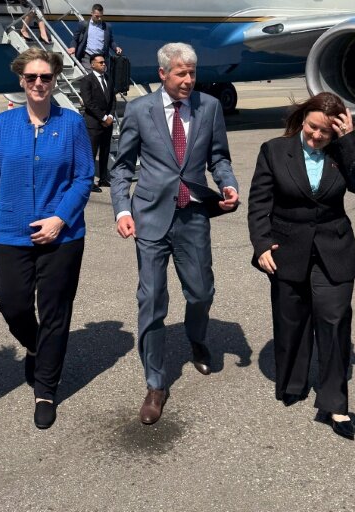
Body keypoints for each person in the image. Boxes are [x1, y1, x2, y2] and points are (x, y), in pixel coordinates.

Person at [110, 42, 239, 425]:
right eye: (181, 73)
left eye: (192, 73)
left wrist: (228, 183)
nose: (188, 80)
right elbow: (122, 167)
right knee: (151, 300)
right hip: (150, 217)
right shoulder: (139, 110)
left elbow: (219, 156)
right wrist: (122, 210)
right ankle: (155, 383)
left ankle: (197, 338)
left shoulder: (209, 107)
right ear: (163, 73)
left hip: (193, 216)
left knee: (201, 292)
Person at [0, 48, 93, 430]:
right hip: (12, 233)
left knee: (55, 311)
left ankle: (45, 389)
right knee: (13, 305)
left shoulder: (72, 123)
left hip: (63, 237)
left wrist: (60, 218)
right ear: (21, 80)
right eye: (31, 77)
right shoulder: (4, 124)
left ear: (55, 79)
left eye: (45, 77)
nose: (39, 83)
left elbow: (84, 177)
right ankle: (35, 345)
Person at [247, 93, 355, 440]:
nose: (317, 136)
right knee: (291, 320)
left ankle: (335, 403)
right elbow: (259, 202)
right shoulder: (274, 150)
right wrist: (261, 244)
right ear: (303, 119)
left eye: (325, 132)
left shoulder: (343, 151)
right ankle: (293, 382)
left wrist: (348, 141)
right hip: (287, 248)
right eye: (312, 127)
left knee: (334, 322)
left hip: (334, 249)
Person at [79, 53, 116, 193]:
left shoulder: (108, 78)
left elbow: (113, 99)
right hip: (94, 123)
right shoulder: (87, 80)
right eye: (100, 62)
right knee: (91, 153)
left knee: (105, 150)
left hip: (108, 122)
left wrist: (110, 116)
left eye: (104, 62)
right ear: (92, 65)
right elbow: (88, 103)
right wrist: (103, 117)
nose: (104, 64)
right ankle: (89, 182)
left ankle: (103, 178)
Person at [68, 4, 122, 69]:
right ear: (92, 13)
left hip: (101, 57)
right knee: (90, 73)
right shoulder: (83, 25)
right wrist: (73, 47)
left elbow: (111, 41)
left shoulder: (107, 27)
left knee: (101, 74)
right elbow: (75, 39)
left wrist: (116, 48)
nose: (99, 18)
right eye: (97, 16)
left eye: (101, 16)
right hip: (87, 56)